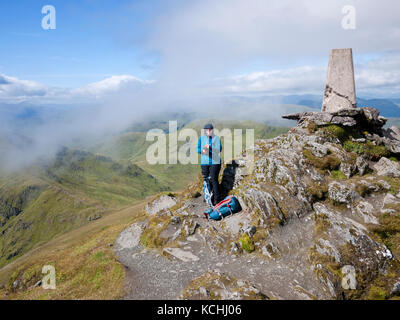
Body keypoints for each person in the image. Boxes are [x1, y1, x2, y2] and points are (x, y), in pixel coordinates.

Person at [197, 123, 222, 205]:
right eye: (207, 130)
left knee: (213, 179)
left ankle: (217, 198)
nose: (209, 131)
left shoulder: (216, 138)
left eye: (210, 129)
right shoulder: (201, 138)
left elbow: (219, 149)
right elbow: (197, 149)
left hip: (215, 162)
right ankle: (208, 196)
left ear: (212, 130)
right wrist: (202, 150)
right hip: (204, 163)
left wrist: (210, 148)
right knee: (206, 180)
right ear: (205, 131)